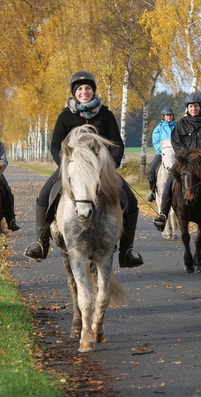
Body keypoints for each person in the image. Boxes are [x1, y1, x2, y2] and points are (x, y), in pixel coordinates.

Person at [23, 71, 144, 268]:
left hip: (102, 169)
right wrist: (67, 165)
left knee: (130, 200)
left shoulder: (105, 114)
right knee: (45, 196)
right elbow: (55, 145)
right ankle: (41, 243)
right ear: (74, 93)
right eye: (80, 89)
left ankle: (127, 250)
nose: (84, 92)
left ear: (93, 91)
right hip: (72, 167)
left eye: (88, 88)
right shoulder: (65, 116)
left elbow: (117, 144)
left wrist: (110, 166)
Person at [152, 93, 201, 231]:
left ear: (200, 107)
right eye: (191, 106)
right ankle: (163, 214)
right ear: (188, 108)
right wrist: (186, 155)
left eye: (196, 106)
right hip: (186, 164)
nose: (194, 109)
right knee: (170, 182)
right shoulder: (181, 124)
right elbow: (175, 142)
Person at [146, 107, 176, 203]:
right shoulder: (158, 128)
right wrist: (163, 151)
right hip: (161, 153)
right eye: (167, 115)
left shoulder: (177, 126)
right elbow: (155, 142)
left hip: (175, 153)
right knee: (151, 169)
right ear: (163, 117)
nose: (169, 117)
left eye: (170, 115)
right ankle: (153, 191)